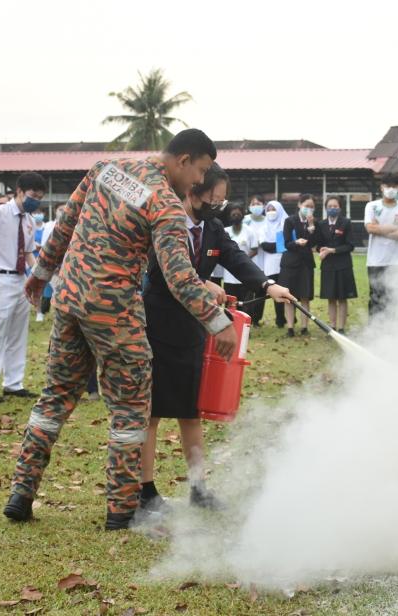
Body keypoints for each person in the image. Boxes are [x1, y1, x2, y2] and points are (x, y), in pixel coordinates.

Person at [4, 129, 241, 531]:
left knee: (54, 399)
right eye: (200, 171)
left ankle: (20, 494)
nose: (201, 182)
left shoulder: (106, 168)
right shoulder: (165, 203)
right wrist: (218, 323)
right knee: (131, 410)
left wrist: (42, 273)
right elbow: (179, 275)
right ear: (183, 160)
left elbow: (65, 224)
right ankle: (121, 511)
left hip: (70, 299)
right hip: (115, 312)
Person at [141, 163, 293, 512]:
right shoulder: (167, 220)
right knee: (152, 412)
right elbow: (161, 273)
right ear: (194, 190)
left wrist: (268, 285)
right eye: (214, 198)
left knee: (191, 411)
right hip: (158, 326)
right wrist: (202, 282)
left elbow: (236, 258)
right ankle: (146, 490)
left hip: (195, 326)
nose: (219, 205)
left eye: (222, 201)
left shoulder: (212, 227)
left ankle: (198, 488)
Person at [0, 172, 46, 403]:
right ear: (20, 191)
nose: (35, 200)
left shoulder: (29, 221)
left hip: (19, 280)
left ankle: (14, 383)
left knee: (17, 333)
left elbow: (27, 254)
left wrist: (38, 276)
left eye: (40, 197)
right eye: (33, 195)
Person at [364, 173, 398, 315]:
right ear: (381, 187)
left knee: (396, 298)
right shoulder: (372, 206)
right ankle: (374, 332)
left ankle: (393, 331)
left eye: (394, 186)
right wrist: (394, 228)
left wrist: (380, 229)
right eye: (388, 186)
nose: (391, 189)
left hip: (397, 262)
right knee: (376, 298)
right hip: (376, 261)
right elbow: (369, 228)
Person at [279, 195, 318, 336]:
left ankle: (304, 327)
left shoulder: (313, 222)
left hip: (306, 263)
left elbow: (314, 243)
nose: (309, 209)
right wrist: (296, 243)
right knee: (289, 297)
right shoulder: (290, 221)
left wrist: (312, 227)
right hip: (290, 263)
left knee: (305, 296)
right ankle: (290, 327)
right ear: (299, 205)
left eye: (312, 207)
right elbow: (287, 243)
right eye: (306, 205)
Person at [318, 196, 356, 333]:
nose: (332, 209)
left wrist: (332, 250)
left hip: (343, 266)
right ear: (326, 208)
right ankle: (332, 326)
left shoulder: (346, 223)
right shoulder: (321, 224)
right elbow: (319, 244)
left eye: (335, 206)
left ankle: (341, 328)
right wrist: (321, 250)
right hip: (328, 266)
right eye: (330, 206)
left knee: (342, 297)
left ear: (340, 208)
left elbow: (350, 245)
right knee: (331, 297)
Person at [258, 200, 289, 329]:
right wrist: (279, 245)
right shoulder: (263, 226)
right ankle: (277, 319)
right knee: (273, 291)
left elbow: (286, 244)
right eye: (268, 209)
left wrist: (279, 246)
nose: (271, 212)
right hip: (269, 265)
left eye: (274, 209)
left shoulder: (285, 224)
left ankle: (283, 319)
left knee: (284, 292)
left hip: (285, 263)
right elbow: (265, 245)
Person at [221, 203, 259, 306]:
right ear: (229, 216)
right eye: (233, 214)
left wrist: (242, 260)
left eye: (238, 214)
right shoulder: (225, 231)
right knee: (230, 305)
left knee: (245, 304)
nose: (235, 215)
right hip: (229, 275)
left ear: (242, 215)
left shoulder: (250, 231)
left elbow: (255, 249)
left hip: (245, 273)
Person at [243, 194, 268, 326]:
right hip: (247, 259)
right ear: (249, 206)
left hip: (263, 260)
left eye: (258, 203)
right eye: (253, 204)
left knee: (260, 291)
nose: (256, 206)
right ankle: (247, 317)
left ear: (264, 205)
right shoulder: (245, 220)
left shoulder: (267, 220)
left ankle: (257, 319)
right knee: (247, 292)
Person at [37, 204, 65, 317]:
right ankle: (42, 312)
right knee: (47, 287)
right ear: (55, 211)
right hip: (52, 263)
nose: (63, 211)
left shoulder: (74, 225)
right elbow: (45, 245)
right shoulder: (49, 226)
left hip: (65, 263)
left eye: (65, 209)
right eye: (60, 209)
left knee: (62, 290)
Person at [32, 208, 47, 322]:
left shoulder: (47, 227)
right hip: (31, 261)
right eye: (35, 213)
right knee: (34, 287)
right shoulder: (29, 227)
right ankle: (38, 312)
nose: (38, 215)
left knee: (43, 288)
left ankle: (43, 309)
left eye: (40, 212)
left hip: (45, 260)